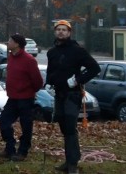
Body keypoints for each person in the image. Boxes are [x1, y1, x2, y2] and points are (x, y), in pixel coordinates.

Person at [46, 20, 100, 174]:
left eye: (64, 30)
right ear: (55, 32)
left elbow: (94, 68)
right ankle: (69, 159)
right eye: (58, 29)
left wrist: (78, 79)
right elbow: (51, 71)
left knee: (70, 127)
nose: (61, 32)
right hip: (59, 94)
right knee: (64, 127)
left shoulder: (77, 51)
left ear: (69, 33)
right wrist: (48, 83)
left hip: (72, 95)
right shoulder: (52, 52)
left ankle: (72, 164)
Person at [0, 34, 43, 162]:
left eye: (10, 40)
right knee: (4, 121)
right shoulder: (11, 57)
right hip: (12, 98)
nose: (8, 42)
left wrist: (29, 91)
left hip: (26, 98)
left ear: (17, 44)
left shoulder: (29, 60)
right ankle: (9, 148)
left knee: (26, 125)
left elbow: (38, 81)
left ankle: (23, 151)